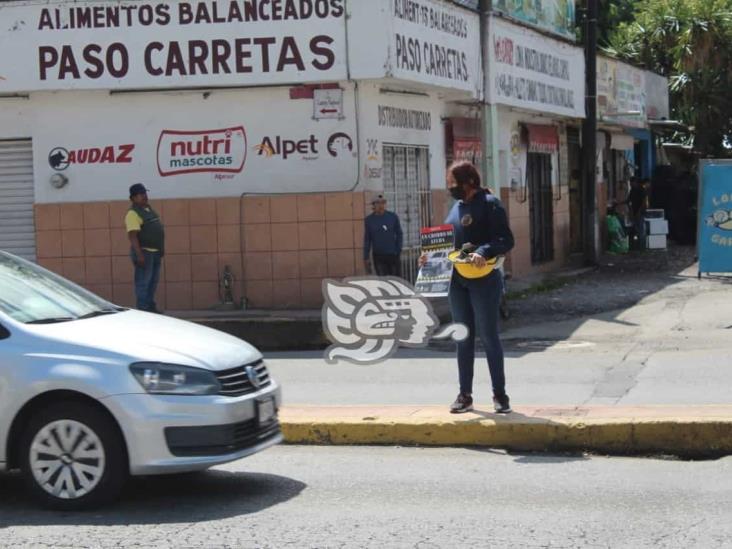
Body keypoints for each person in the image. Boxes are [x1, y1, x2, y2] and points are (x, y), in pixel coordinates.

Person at [422, 161, 515, 414]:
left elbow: (505, 239)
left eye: (452, 183)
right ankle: (465, 395)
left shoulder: (490, 204)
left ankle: (500, 395)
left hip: (484, 280)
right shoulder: (456, 207)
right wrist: (430, 258)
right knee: (463, 337)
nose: (450, 188)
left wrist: (484, 251)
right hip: (457, 280)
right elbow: (448, 243)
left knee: (489, 337)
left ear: (468, 182)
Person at [125, 183, 165, 313]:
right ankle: (143, 310)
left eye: (145, 193)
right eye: (141, 194)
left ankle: (150, 307)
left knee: (153, 283)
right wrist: (139, 255)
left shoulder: (148, 210)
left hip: (155, 252)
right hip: (144, 253)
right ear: (133, 198)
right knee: (143, 283)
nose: (144, 196)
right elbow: (132, 236)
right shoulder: (132, 214)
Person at [364, 195, 403, 276]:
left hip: (393, 255)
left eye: (383, 203)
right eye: (378, 203)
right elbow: (367, 239)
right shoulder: (369, 220)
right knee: (383, 282)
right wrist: (366, 256)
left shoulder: (392, 217)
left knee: (396, 281)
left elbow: (399, 233)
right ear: (373, 205)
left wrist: (398, 249)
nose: (380, 205)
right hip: (378, 257)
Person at [625, 177, 647, 247]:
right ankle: (637, 245)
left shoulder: (642, 189)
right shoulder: (632, 190)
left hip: (640, 212)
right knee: (635, 229)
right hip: (634, 212)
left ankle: (642, 245)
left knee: (641, 229)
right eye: (630, 183)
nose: (630, 184)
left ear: (635, 182)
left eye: (631, 183)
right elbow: (628, 200)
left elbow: (644, 202)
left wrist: (639, 211)